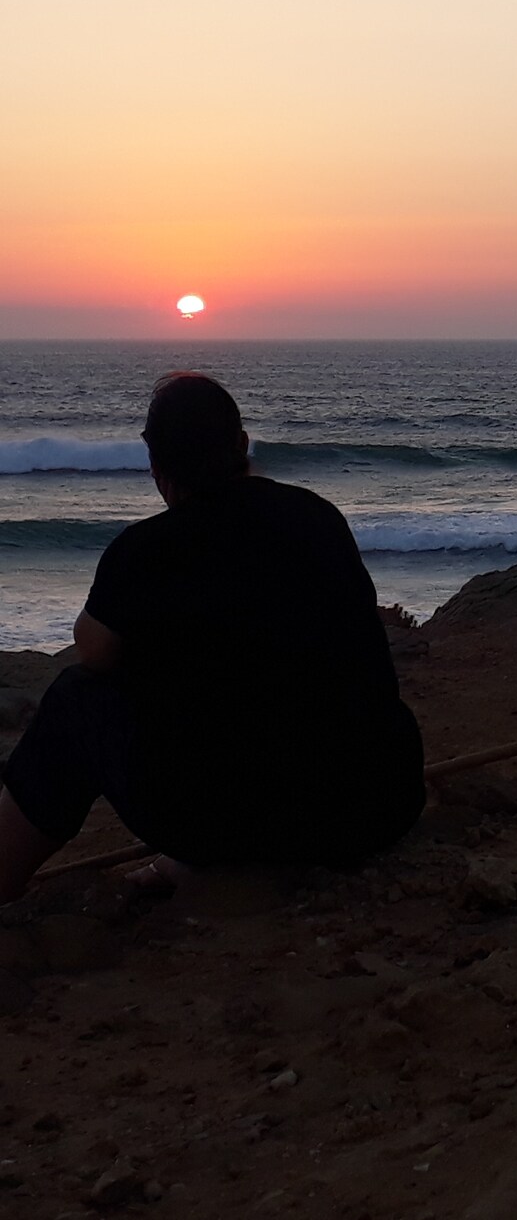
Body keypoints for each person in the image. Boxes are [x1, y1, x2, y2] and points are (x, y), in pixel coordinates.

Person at [0, 372, 425, 903]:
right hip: (379, 803)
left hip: (246, 825)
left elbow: (94, 650)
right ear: (242, 444)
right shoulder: (318, 516)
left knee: (75, 699)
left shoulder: (147, 550)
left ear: (155, 466)